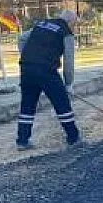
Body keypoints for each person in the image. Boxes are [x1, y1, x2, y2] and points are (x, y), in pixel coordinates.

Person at [15, 9, 82, 150]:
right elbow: (69, 62)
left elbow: (21, 38)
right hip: (46, 70)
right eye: (74, 24)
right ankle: (73, 137)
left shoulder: (41, 24)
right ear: (70, 22)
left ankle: (22, 141)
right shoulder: (66, 33)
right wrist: (69, 83)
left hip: (27, 68)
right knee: (61, 102)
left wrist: (28, 55)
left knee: (28, 103)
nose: (74, 27)